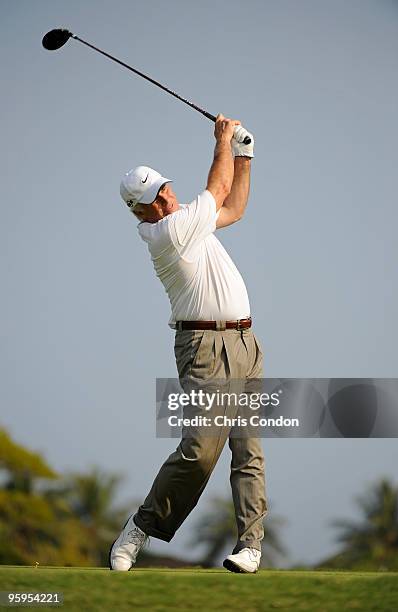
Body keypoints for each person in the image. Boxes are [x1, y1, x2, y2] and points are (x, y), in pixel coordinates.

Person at [109, 115, 267, 573]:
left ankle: (251, 545)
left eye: (166, 188)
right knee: (200, 452)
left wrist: (245, 155)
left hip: (246, 342)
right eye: (158, 196)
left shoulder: (186, 222)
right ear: (143, 210)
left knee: (248, 449)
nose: (168, 196)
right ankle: (141, 526)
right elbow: (217, 191)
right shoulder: (165, 234)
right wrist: (222, 142)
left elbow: (232, 207)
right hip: (204, 348)